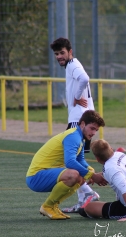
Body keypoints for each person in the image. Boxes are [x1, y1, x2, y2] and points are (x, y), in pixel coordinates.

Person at [26, 110, 107, 220]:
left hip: (44, 173)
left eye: (96, 130)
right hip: (36, 177)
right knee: (73, 175)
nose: (93, 133)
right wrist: (92, 176)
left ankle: (53, 206)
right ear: (82, 124)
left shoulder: (79, 137)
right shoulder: (74, 136)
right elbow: (70, 162)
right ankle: (48, 206)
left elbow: (80, 160)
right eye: (92, 128)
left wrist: (91, 172)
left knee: (79, 175)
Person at [50, 37, 100, 213]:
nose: (59, 56)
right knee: (77, 161)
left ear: (70, 52)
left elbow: (84, 79)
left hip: (78, 122)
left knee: (71, 162)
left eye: (62, 52)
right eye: (56, 54)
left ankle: (87, 193)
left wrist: (77, 96)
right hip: (80, 119)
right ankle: (84, 196)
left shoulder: (72, 65)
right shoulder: (72, 65)